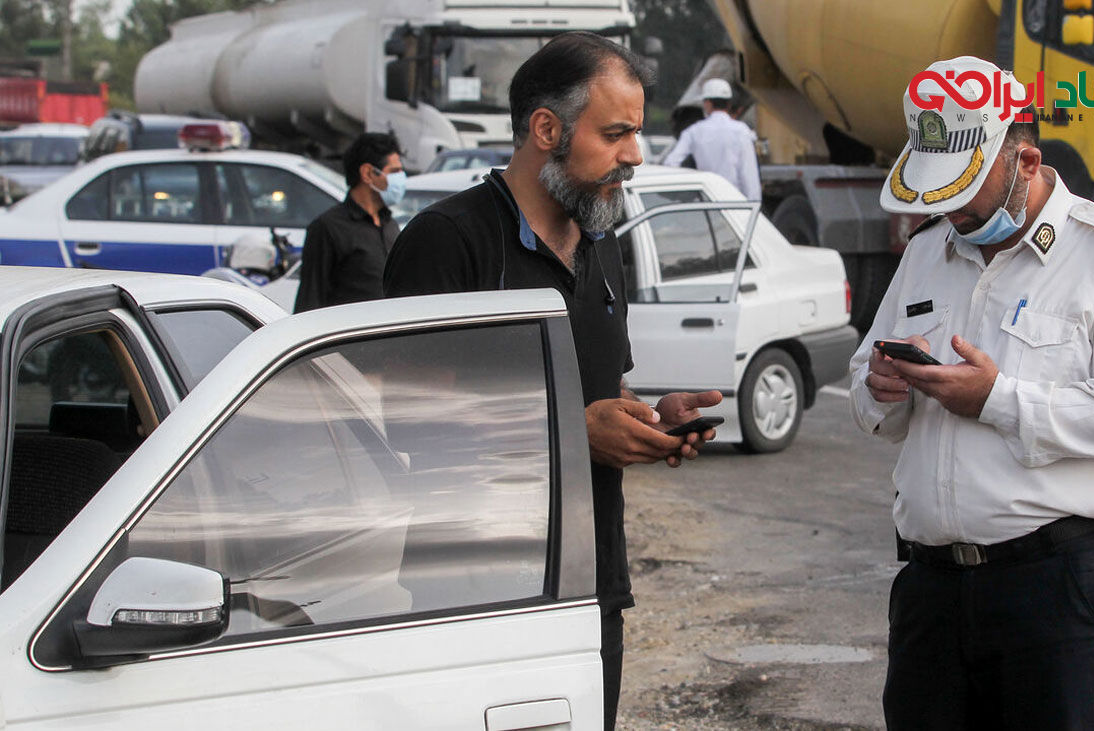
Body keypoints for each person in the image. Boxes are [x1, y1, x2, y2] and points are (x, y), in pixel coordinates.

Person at [383, 31, 722, 730]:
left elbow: (601, 392)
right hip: (474, 594)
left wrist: (649, 420)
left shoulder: (601, 243)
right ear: (547, 129)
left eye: (636, 133)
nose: (635, 154)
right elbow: (409, 420)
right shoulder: (448, 242)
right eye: (616, 133)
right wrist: (573, 433)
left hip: (590, 583)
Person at [850, 56, 1094, 728]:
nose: (950, 210)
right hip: (932, 593)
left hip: (1057, 591)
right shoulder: (928, 251)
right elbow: (865, 381)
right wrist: (880, 387)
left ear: (1025, 161)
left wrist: (996, 399)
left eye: (965, 191)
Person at [293, 132, 406, 313]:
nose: (401, 178)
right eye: (394, 171)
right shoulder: (328, 228)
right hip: (350, 330)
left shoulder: (390, 225)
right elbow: (310, 300)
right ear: (368, 173)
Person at [662, 78, 761, 200]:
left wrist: (691, 187)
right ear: (729, 104)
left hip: (707, 201)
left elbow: (671, 163)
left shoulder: (694, 131)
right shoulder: (741, 131)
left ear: (707, 103)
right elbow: (749, 174)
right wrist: (754, 203)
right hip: (736, 201)